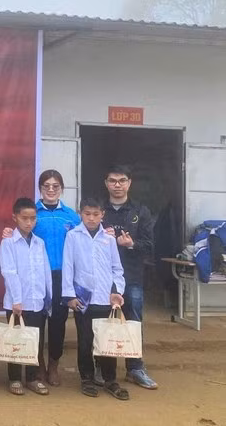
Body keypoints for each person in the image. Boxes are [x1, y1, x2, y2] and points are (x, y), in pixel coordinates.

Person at [2, 169, 80, 386]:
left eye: (56, 186)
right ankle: (38, 367)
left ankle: (54, 364)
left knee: (58, 323)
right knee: (35, 322)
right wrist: (8, 232)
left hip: (62, 277)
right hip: (35, 276)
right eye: (47, 186)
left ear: (62, 189)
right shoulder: (32, 212)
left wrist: (108, 231)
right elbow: (20, 234)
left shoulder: (71, 216)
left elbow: (86, 236)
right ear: (40, 188)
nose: (51, 190)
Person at [62, 198, 129, 401]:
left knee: (107, 343)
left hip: (105, 299)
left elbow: (117, 268)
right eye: (87, 214)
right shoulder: (73, 236)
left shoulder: (108, 239)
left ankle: (110, 380)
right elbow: (68, 267)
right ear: (80, 214)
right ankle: (87, 379)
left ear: (102, 215)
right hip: (83, 300)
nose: (91, 218)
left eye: (95, 214)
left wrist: (117, 291)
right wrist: (70, 296)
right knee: (85, 341)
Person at [102, 165, 157, 390]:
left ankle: (135, 368)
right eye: (113, 180)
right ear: (106, 183)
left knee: (133, 321)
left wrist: (131, 244)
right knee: (104, 322)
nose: (117, 185)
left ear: (129, 183)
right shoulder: (99, 210)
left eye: (122, 180)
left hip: (131, 276)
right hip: (103, 279)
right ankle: (102, 367)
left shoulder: (140, 211)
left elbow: (150, 245)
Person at [0, 197, 52, 396]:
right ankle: (14, 378)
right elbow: (9, 271)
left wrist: (48, 296)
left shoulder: (39, 243)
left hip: (38, 300)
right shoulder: (8, 243)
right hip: (17, 302)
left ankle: (32, 378)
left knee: (35, 341)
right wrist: (16, 300)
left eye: (32, 218)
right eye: (24, 218)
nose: (29, 222)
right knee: (15, 341)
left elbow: (46, 270)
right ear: (15, 218)